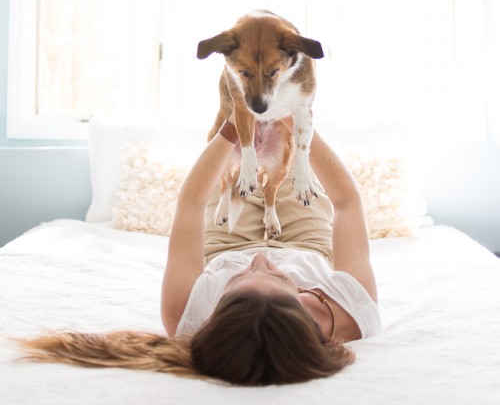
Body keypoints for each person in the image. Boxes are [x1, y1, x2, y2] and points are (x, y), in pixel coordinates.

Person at [19, 117, 381, 386]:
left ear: (216, 310)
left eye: (239, 279)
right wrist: (300, 123)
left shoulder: (185, 315)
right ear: (306, 314)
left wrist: (231, 126)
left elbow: (191, 203)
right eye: (279, 276)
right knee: (282, 136)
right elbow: (347, 203)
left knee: (243, 142)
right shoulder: (351, 314)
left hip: (226, 239)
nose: (260, 261)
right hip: (307, 241)